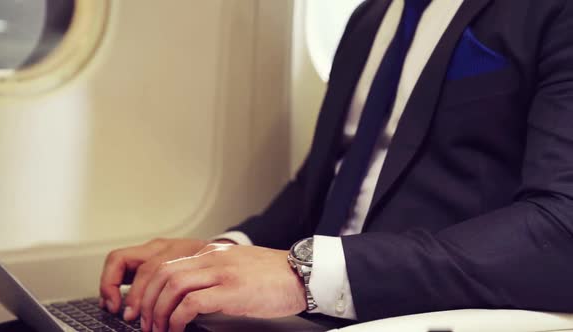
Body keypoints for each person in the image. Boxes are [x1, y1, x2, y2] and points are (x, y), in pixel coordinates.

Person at [99, 0, 573, 331]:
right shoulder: (369, 19)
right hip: (315, 310)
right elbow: (321, 186)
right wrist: (216, 255)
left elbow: (562, 229)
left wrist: (305, 274)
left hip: (421, 313)